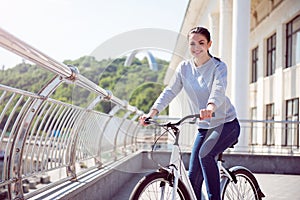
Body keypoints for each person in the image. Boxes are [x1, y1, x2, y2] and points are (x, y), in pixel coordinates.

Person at [139, 26, 240, 200]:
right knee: (193, 179)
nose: (196, 47)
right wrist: (153, 112)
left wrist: (210, 108)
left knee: (205, 155)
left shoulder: (218, 66)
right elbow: (170, 91)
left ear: (209, 44)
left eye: (201, 43)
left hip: (226, 124)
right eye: (192, 44)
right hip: (204, 127)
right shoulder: (184, 68)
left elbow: (218, 89)